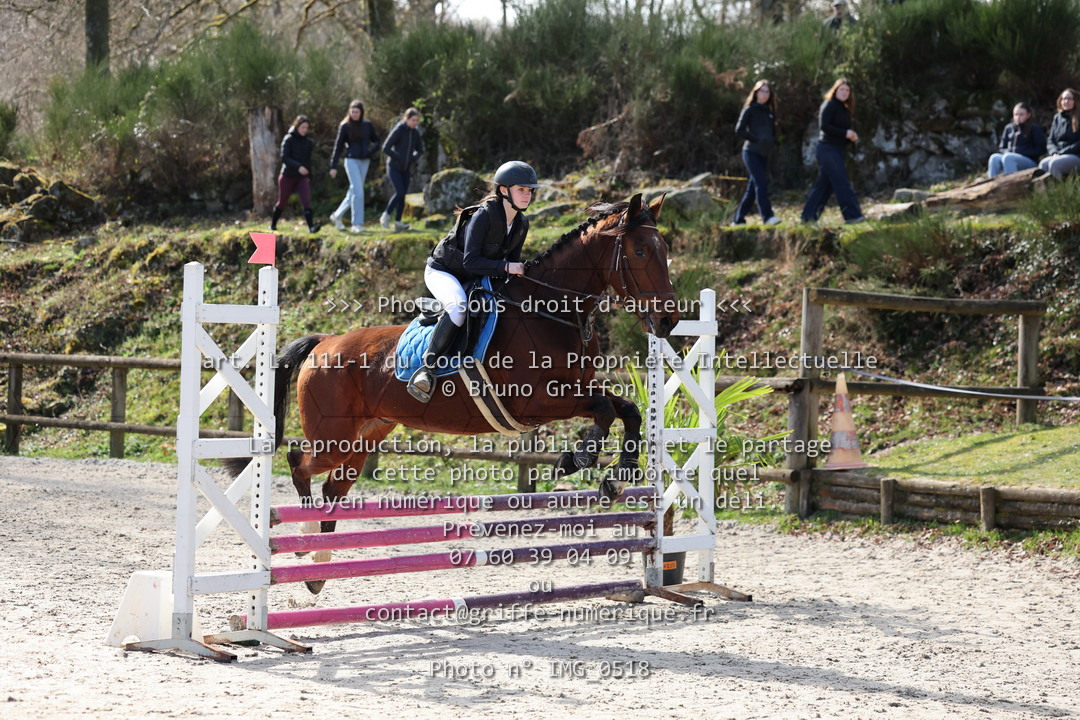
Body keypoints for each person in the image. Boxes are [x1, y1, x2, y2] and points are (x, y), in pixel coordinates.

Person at [407, 161, 539, 403]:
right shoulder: (483, 216)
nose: (527, 195)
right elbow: (470, 261)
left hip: (477, 276)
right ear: (503, 190)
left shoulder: (521, 224)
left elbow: (512, 263)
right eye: (521, 189)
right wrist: (507, 267)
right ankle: (427, 368)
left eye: (529, 190)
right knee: (458, 307)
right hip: (445, 271)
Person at [801, 79, 866, 225]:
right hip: (827, 149)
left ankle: (807, 218)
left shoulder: (844, 109)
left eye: (847, 90)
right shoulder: (829, 104)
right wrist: (845, 133)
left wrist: (851, 137)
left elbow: (841, 133)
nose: (845, 92)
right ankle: (853, 216)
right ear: (835, 91)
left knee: (824, 186)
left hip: (837, 150)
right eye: (842, 89)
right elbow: (824, 126)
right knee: (841, 181)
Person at [733, 80, 780, 226]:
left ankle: (738, 220)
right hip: (750, 152)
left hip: (764, 154)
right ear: (756, 93)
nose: (764, 94)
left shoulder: (770, 113)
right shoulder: (750, 109)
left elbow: (772, 132)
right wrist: (756, 139)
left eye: (767, 91)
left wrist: (771, 142)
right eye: (762, 91)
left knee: (753, 189)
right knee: (761, 183)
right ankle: (768, 217)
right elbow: (739, 130)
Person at [329, 100, 380, 233]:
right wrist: (333, 166)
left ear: (361, 112)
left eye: (357, 112)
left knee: (354, 191)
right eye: (352, 112)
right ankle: (356, 224)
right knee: (358, 191)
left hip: (365, 161)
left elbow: (377, 141)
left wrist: (369, 151)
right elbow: (338, 146)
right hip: (351, 160)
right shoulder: (345, 126)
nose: (354, 114)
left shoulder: (367, 125)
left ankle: (337, 215)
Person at [270, 115, 320, 234]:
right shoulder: (288, 139)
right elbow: (284, 157)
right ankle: (273, 225)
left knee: (306, 200)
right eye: (303, 127)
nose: (305, 130)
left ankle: (311, 227)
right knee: (282, 202)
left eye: (307, 128)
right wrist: (298, 167)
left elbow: (308, 161)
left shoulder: (308, 142)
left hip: (302, 177)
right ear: (297, 127)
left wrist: (309, 175)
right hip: (287, 175)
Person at [380, 107, 425, 231]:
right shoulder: (399, 130)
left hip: (406, 168)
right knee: (399, 192)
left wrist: (412, 158)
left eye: (417, 121)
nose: (415, 123)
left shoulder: (415, 133)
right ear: (406, 119)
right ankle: (386, 215)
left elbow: (420, 150)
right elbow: (386, 147)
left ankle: (398, 222)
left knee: (403, 195)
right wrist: (398, 157)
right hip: (393, 167)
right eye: (413, 120)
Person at [987, 103, 1046, 178]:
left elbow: (1041, 149)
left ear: (1028, 115)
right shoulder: (1008, 128)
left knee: (1008, 157)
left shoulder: (1034, 128)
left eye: (1021, 115)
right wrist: (1010, 151)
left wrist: (1020, 151)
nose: (1018, 117)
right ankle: (993, 183)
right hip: (1009, 157)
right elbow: (1002, 148)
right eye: (1016, 114)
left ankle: (1010, 183)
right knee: (994, 157)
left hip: (1029, 161)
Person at [1039, 89, 1080, 180]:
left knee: (1055, 164)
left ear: (1076, 101)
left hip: (1076, 155)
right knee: (1043, 164)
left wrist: (1061, 153)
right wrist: (1054, 152)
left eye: (1069, 99)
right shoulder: (1057, 118)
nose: (1066, 101)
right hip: (1058, 155)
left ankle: (1059, 188)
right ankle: (1047, 189)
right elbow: (1050, 140)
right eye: (1064, 98)